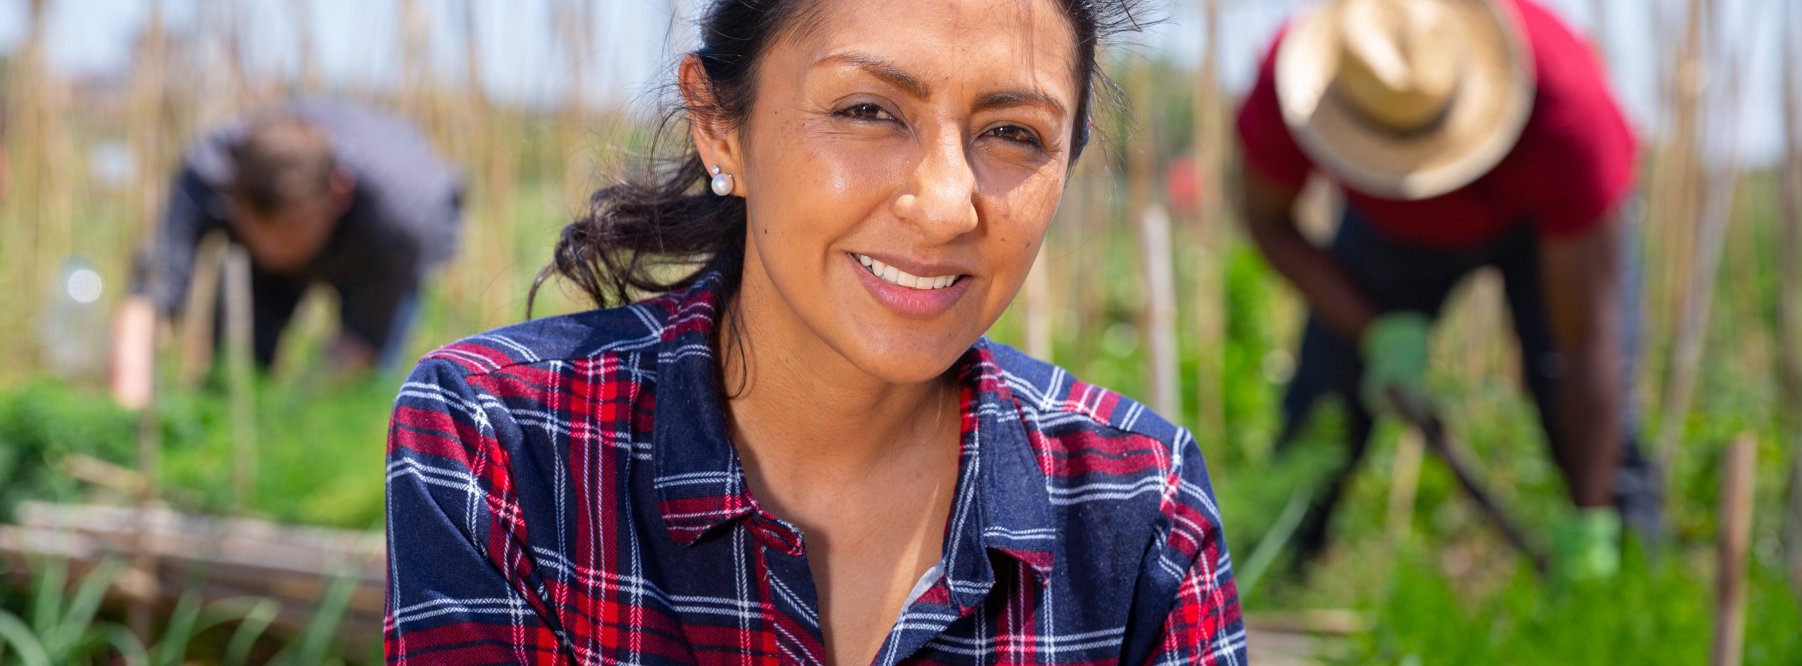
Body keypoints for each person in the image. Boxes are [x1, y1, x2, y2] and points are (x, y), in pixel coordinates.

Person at [383, 0, 1246, 663]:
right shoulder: (508, 442)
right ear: (721, 124)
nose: (946, 205)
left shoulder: (1137, 502)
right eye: (868, 111)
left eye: (1013, 134)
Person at [1234, 0, 1658, 580]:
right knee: (1324, 407)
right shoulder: (1297, 80)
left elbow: (1588, 338)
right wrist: (1373, 329)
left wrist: (1592, 517)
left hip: (1542, 229)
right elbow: (1269, 223)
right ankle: (1267, 573)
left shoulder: (1569, 114)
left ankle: (1627, 581)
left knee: (1577, 398)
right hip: (1385, 233)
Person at [111, 102, 463, 407]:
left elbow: (360, 346)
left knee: (356, 394)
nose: (274, 250)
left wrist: (289, 416)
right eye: (259, 233)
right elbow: (153, 292)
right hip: (258, 268)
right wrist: (128, 407)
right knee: (236, 374)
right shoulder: (209, 173)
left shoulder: (400, 217)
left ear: (337, 195)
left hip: (374, 248)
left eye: (290, 234)